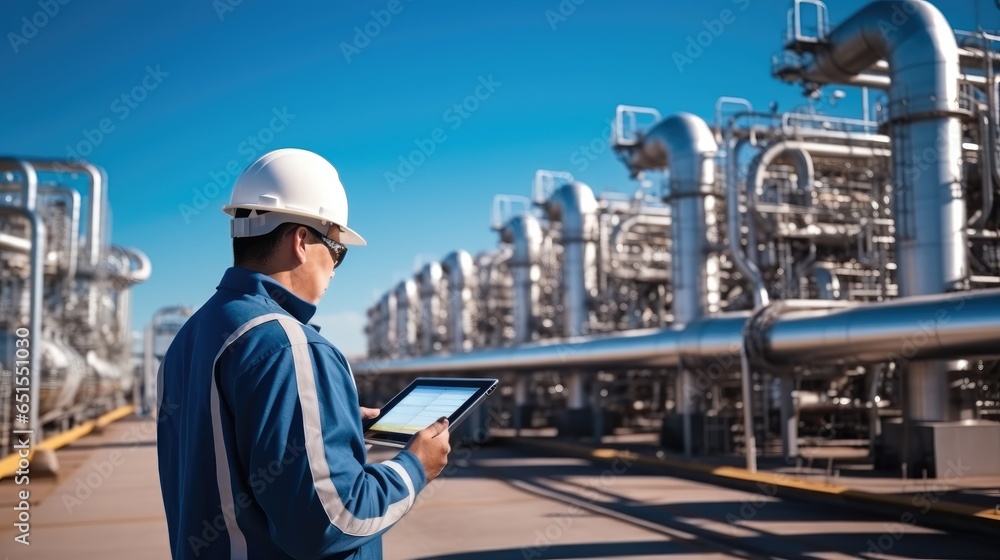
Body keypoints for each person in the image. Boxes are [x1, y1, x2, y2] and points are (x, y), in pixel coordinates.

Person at [157, 148, 451, 559]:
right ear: (301, 241)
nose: (334, 268)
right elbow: (333, 521)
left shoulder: (191, 338)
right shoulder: (289, 344)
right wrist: (415, 467)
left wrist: (334, 420)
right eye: (338, 250)